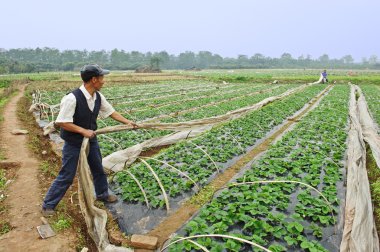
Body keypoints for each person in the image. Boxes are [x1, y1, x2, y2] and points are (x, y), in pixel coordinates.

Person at [42, 64, 138, 216]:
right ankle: (49, 204)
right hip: (73, 142)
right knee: (67, 174)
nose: (103, 81)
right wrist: (82, 131)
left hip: (91, 140)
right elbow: (62, 122)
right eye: (102, 78)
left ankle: (102, 194)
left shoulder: (98, 97)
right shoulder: (72, 98)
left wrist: (128, 122)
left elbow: (111, 112)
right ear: (94, 79)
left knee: (98, 169)